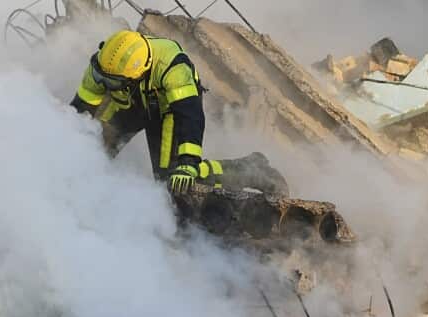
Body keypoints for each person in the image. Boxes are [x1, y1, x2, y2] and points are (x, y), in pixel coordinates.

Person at [70, 29, 286, 195]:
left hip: (168, 110)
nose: (104, 84)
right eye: (102, 79)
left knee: (173, 181)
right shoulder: (102, 67)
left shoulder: (173, 67)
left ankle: (250, 169)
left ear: (138, 73)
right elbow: (80, 110)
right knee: (92, 153)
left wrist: (188, 163)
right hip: (128, 103)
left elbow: (189, 115)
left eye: (112, 82)